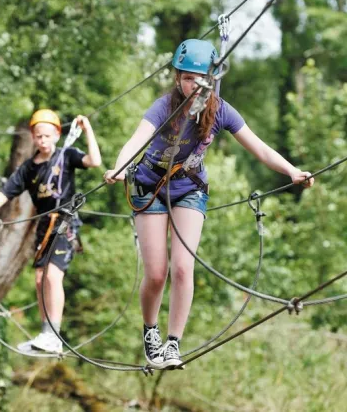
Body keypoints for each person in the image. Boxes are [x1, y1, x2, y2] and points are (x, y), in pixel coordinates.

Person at [104, 39, 315, 369]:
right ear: (177, 78)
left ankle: (174, 343)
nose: (193, 85)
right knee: (157, 274)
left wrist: (292, 170)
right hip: (150, 187)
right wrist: (118, 166)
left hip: (189, 188)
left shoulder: (222, 111)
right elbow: (137, 139)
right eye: (187, 77)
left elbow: (259, 148)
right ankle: (151, 332)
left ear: (212, 80)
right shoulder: (164, 107)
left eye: (200, 79)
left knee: (183, 267)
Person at [0, 110, 102, 353]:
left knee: (53, 277)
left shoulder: (66, 155)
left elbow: (94, 161)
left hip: (65, 224)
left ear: (57, 134)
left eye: (47, 135)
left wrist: (88, 130)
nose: (43, 140)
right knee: (39, 280)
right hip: (44, 227)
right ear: (33, 138)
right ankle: (46, 334)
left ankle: (53, 336)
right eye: (38, 136)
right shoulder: (28, 169)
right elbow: (6, 191)